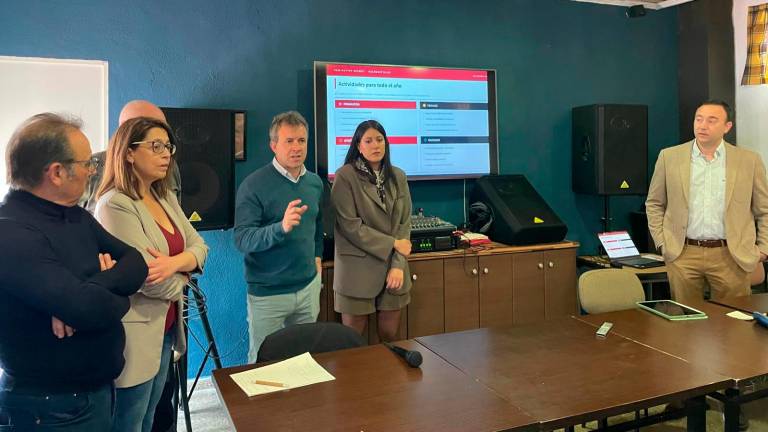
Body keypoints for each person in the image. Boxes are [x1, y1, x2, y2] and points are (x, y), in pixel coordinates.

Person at [0, 113, 147, 430]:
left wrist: (91, 288)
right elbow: (87, 308)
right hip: (51, 407)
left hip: (91, 393)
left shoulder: (74, 215)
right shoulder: (11, 231)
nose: (92, 170)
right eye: (86, 163)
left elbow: (136, 262)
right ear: (56, 172)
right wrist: (117, 294)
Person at [94, 117, 208, 432]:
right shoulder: (114, 205)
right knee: (129, 422)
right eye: (155, 146)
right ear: (129, 152)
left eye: (168, 147)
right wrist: (186, 273)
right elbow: (146, 278)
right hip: (134, 334)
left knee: (150, 419)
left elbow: (200, 246)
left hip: (165, 328)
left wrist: (174, 263)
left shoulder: (164, 195)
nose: (166, 154)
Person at [646, 100, 768, 303]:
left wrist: (763, 249)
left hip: (731, 255)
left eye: (711, 121)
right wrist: (662, 242)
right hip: (683, 253)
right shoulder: (669, 157)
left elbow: (764, 210)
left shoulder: (749, 160)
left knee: (732, 318)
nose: (703, 126)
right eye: (699, 119)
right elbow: (654, 203)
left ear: (727, 126)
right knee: (687, 317)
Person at [234, 111, 323, 362]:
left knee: (304, 360)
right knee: (264, 363)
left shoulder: (315, 183)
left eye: (301, 140)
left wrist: (317, 257)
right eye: (289, 141)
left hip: (307, 289)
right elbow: (242, 239)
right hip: (268, 294)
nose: (297, 147)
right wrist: (280, 227)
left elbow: (318, 226)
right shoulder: (253, 185)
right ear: (274, 145)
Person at [331, 120, 412, 340]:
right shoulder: (345, 176)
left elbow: (404, 224)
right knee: (352, 341)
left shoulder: (398, 176)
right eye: (368, 141)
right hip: (357, 271)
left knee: (390, 335)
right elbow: (350, 226)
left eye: (379, 139)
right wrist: (392, 243)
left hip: (393, 269)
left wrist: (398, 265)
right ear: (358, 146)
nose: (375, 145)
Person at [82, 100, 181, 213]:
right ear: (125, 133)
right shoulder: (91, 166)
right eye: (148, 125)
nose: (166, 154)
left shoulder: (170, 167)